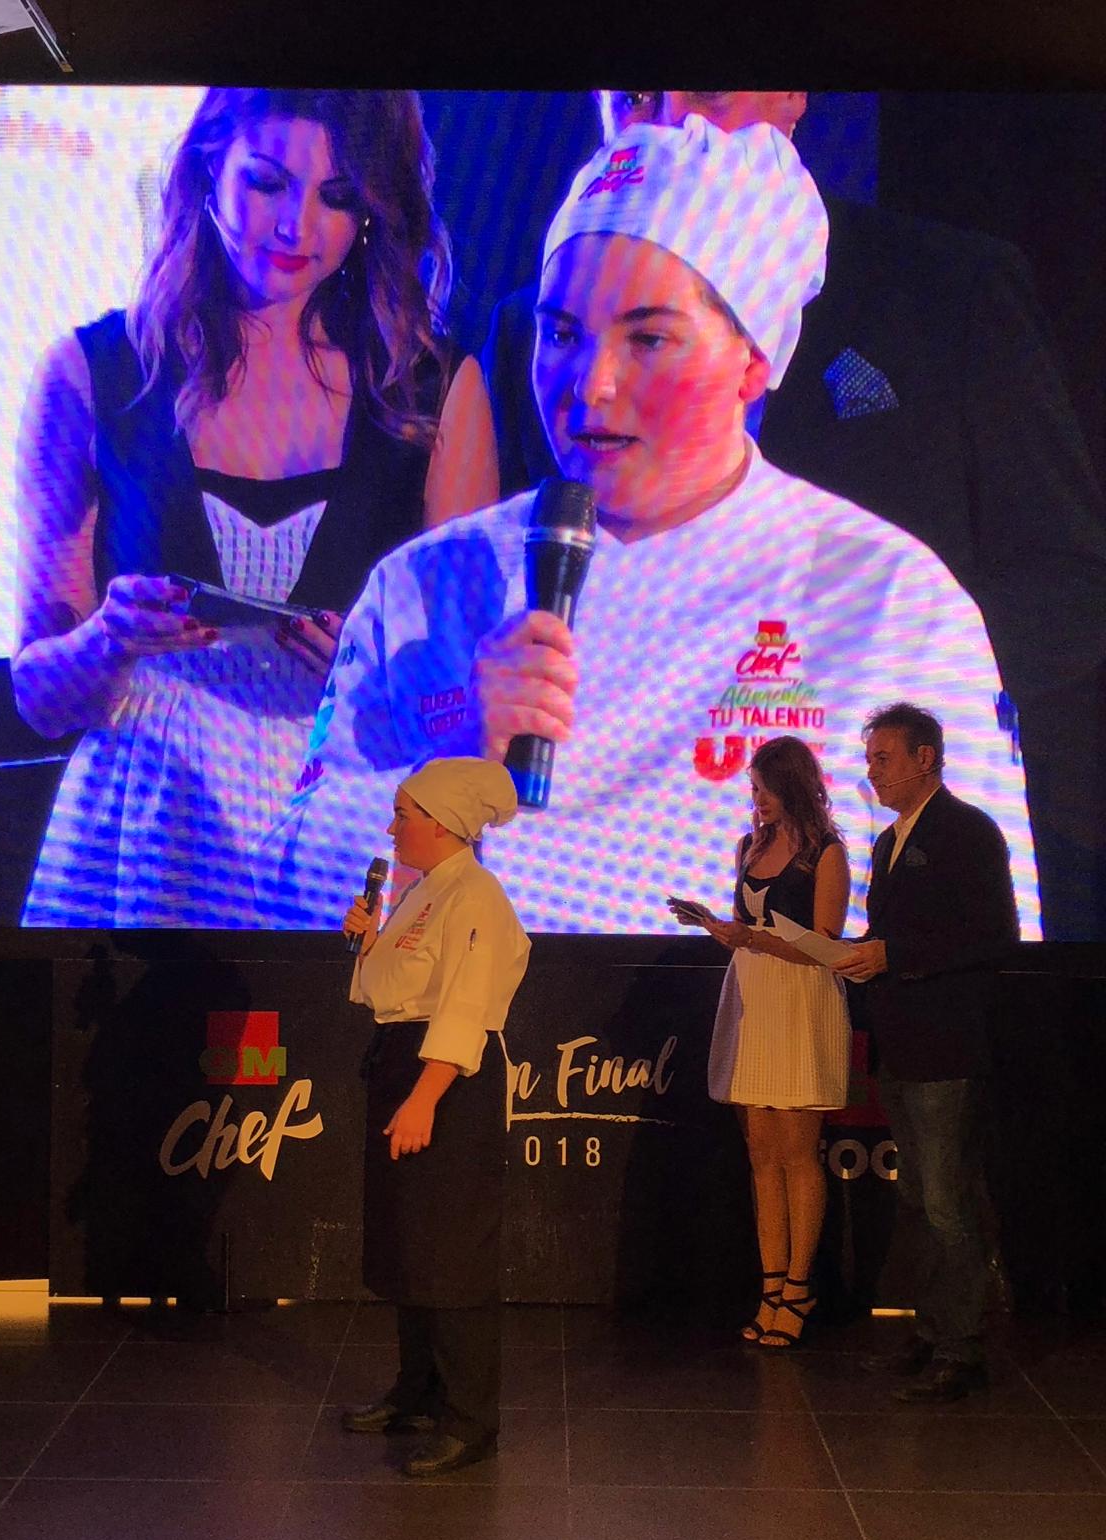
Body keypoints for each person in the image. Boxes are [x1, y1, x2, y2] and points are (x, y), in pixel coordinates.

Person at [262, 117, 1038, 944]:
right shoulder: (425, 584)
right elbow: (281, 900)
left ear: (752, 359)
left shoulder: (889, 599)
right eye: (562, 334)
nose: (589, 385)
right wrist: (454, 764)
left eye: (648, 339)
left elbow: (980, 943)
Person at [482, 89, 1106, 940]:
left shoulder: (944, 287)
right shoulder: (533, 334)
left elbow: (1066, 584)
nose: (673, 121)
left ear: (790, 99)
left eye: (705, 91)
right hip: (616, 881)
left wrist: (862, 710)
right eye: (634, 99)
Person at [12, 88, 499, 927]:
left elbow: (470, 702)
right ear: (209, 167)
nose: (295, 228)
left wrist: (378, 681)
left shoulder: (433, 390)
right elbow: (37, 696)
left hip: (348, 833)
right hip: (145, 835)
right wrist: (107, 641)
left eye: (337, 197)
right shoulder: (95, 371)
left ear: (373, 210)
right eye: (267, 182)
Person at [339, 756, 530, 1477]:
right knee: (410, 1242)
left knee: (451, 1248)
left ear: (444, 823)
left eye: (403, 815)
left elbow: (466, 1004)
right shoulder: (424, 891)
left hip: (448, 1079)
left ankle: (470, 1419)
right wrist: (368, 942)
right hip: (404, 1062)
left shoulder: (476, 894)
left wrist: (425, 1097)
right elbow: (386, 993)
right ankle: (417, 1391)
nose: (392, 829)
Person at [835, 703, 1019, 1401]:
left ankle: (962, 1348)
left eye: (883, 758)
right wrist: (857, 958)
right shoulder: (887, 841)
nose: (872, 773)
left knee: (948, 1201)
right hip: (901, 1043)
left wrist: (895, 955)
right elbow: (894, 935)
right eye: (868, 760)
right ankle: (931, 1329)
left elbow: (994, 936)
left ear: (926, 758)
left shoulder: (968, 831)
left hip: (948, 1046)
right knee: (916, 1197)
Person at [671, 736, 851, 1346]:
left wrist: (752, 938)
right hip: (753, 995)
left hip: (800, 999)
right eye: (753, 790)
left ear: (794, 786)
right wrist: (724, 931)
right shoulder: (749, 847)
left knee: (798, 1153)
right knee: (761, 1154)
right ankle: (771, 1284)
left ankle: (799, 1288)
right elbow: (749, 928)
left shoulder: (826, 852)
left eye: (766, 789)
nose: (757, 800)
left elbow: (825, 943)